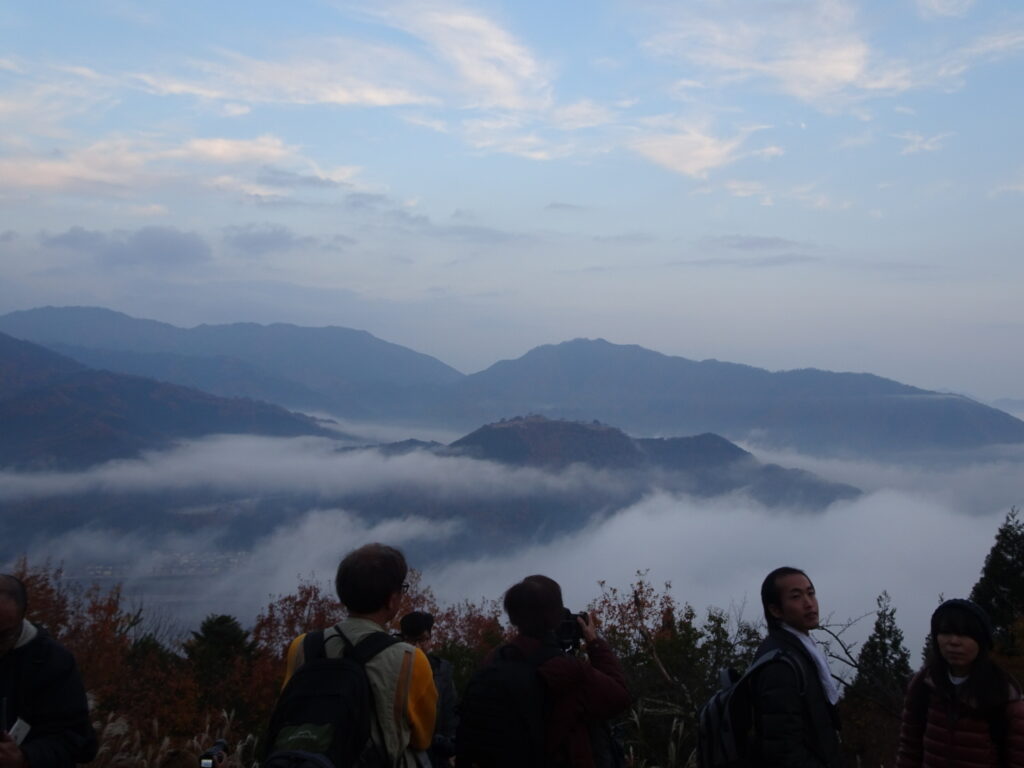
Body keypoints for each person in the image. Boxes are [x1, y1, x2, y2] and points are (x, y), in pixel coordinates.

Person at [280, 544, 437, 768]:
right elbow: (422, 737)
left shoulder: (303, 646)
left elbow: (285, 713)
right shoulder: (410, 659)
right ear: (392, 600)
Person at [457, 574, 630, 768]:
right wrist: (595, 644)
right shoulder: (567, 670)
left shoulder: (493, 662)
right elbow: (618, 697)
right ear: (556, 616)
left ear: (514, 617)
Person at [896, 598, 1024, 767]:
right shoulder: (924, 685)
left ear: (982, 641)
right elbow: (909, 751)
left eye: (964, 634)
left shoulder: (1004, 695)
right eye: (946, 632)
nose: (954, 641)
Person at [0, 574, 98, 768]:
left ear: (22, 617)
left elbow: (78, 741)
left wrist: (25, 758)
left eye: (3, 634)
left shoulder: (53, 662)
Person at [753, 566, 843, 767]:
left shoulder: (803, 652)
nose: (809, 603)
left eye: (811, 593)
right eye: (796, 597)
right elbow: (783, 750)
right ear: (775, 609)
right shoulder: (779, 663)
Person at [399, 612, 457, 767]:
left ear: (430, 639)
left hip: (436, 754)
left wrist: (448, 744)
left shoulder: (442, 670)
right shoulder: (395, 666)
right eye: (412, 640)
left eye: (422, 640)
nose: (417, 646)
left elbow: (450, 712)